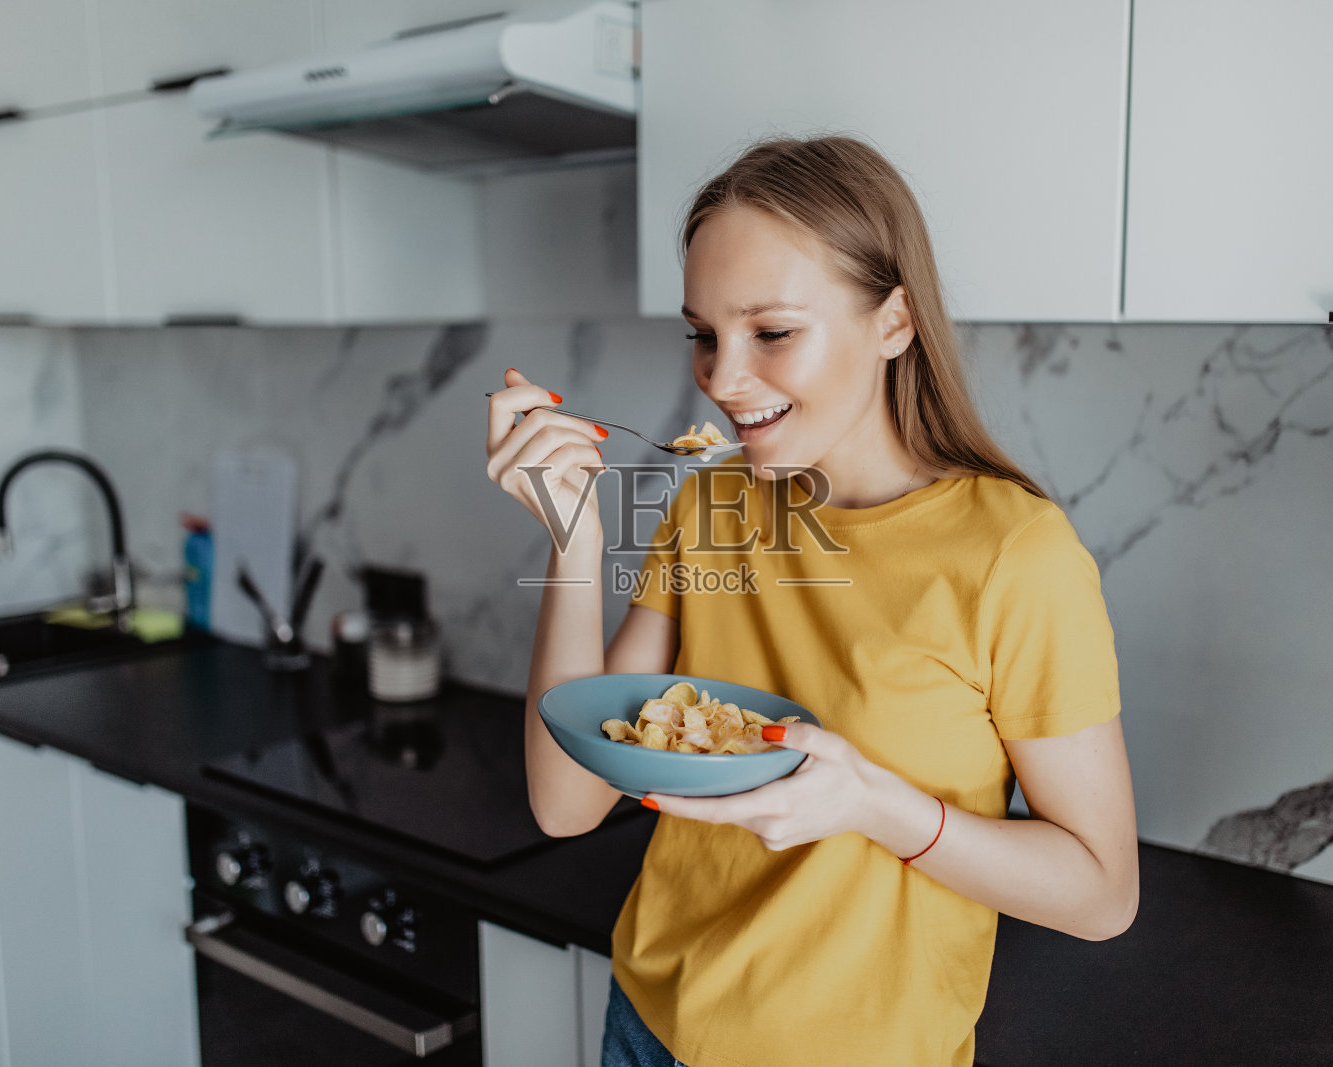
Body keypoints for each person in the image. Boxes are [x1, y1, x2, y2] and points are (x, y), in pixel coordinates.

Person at [484, 135, 1137, 1067]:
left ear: (896, 321)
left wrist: (876, 805)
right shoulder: (711, 500)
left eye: (772, 331)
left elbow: (1103, 892)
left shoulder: (1014, 556)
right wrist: (574, 537)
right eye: (704, 334)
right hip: (650, 1027)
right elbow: (569, 800)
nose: (720, 378)